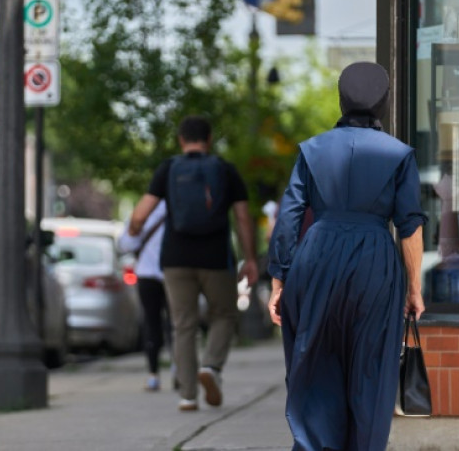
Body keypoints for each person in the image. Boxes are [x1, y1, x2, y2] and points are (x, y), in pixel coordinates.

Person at [266, 62, 426, 451]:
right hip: (375, 261)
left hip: (316, 255)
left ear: (341, 99)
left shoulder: (312, 150)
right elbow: (409, 228)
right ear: (385, 104)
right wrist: (414, 289)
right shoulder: (400, 155)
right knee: (370, 371)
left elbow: (289, 217)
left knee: (314, 365)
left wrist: (278, 282)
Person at [130, 115, 259, 412]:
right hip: (215, 258)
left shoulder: (168, 168)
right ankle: (211, 366)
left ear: (181, 140)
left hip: (176, 259)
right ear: (209, 139)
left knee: (183, 325)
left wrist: (135, 229)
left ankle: (188, 396)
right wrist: (250, 258)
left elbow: (141, 214)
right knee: (224, 314)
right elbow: (242, 217)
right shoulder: (225, 170)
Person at [118, 200, 173, 392]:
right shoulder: (177, 206)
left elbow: (125, 243)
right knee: (176, 324)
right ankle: (176, 370)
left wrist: (134, 229)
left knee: (152, 323)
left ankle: (153, 374)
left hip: (149, 274)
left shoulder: (143, 209)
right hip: (170, 274)